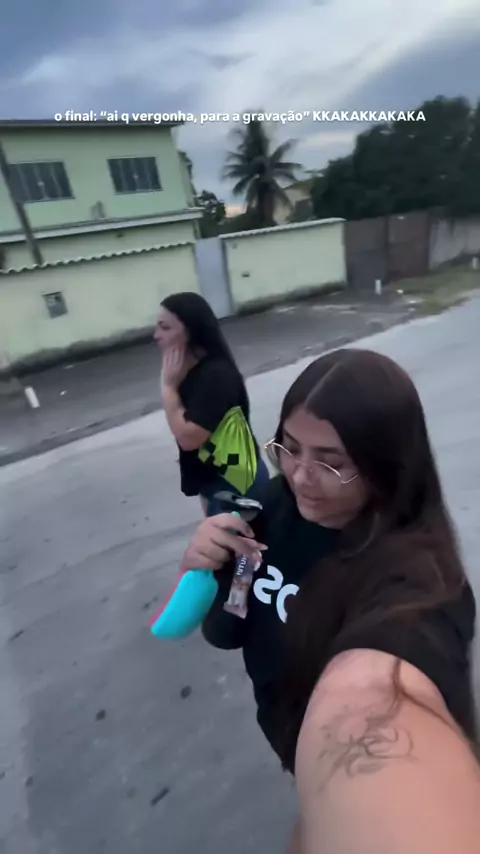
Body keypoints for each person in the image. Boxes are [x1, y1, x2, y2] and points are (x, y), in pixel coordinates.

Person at [179, 348, 480, 853]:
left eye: (331, 462)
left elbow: (383, 700)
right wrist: (209, 568)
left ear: (388, 465)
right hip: (288, 738)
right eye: (289, 447)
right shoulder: (270, 509)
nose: (300, 476)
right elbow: (227, 629)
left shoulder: (419, 585)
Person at [154, 292, 269, 515]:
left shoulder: (215, 376)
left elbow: (189, 438)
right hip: (217, 483)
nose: (156, 336)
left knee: (237, 539)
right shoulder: (189, 372)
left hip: (237, 484)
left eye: (165, 328)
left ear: (191, 331)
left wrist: (168, 388)